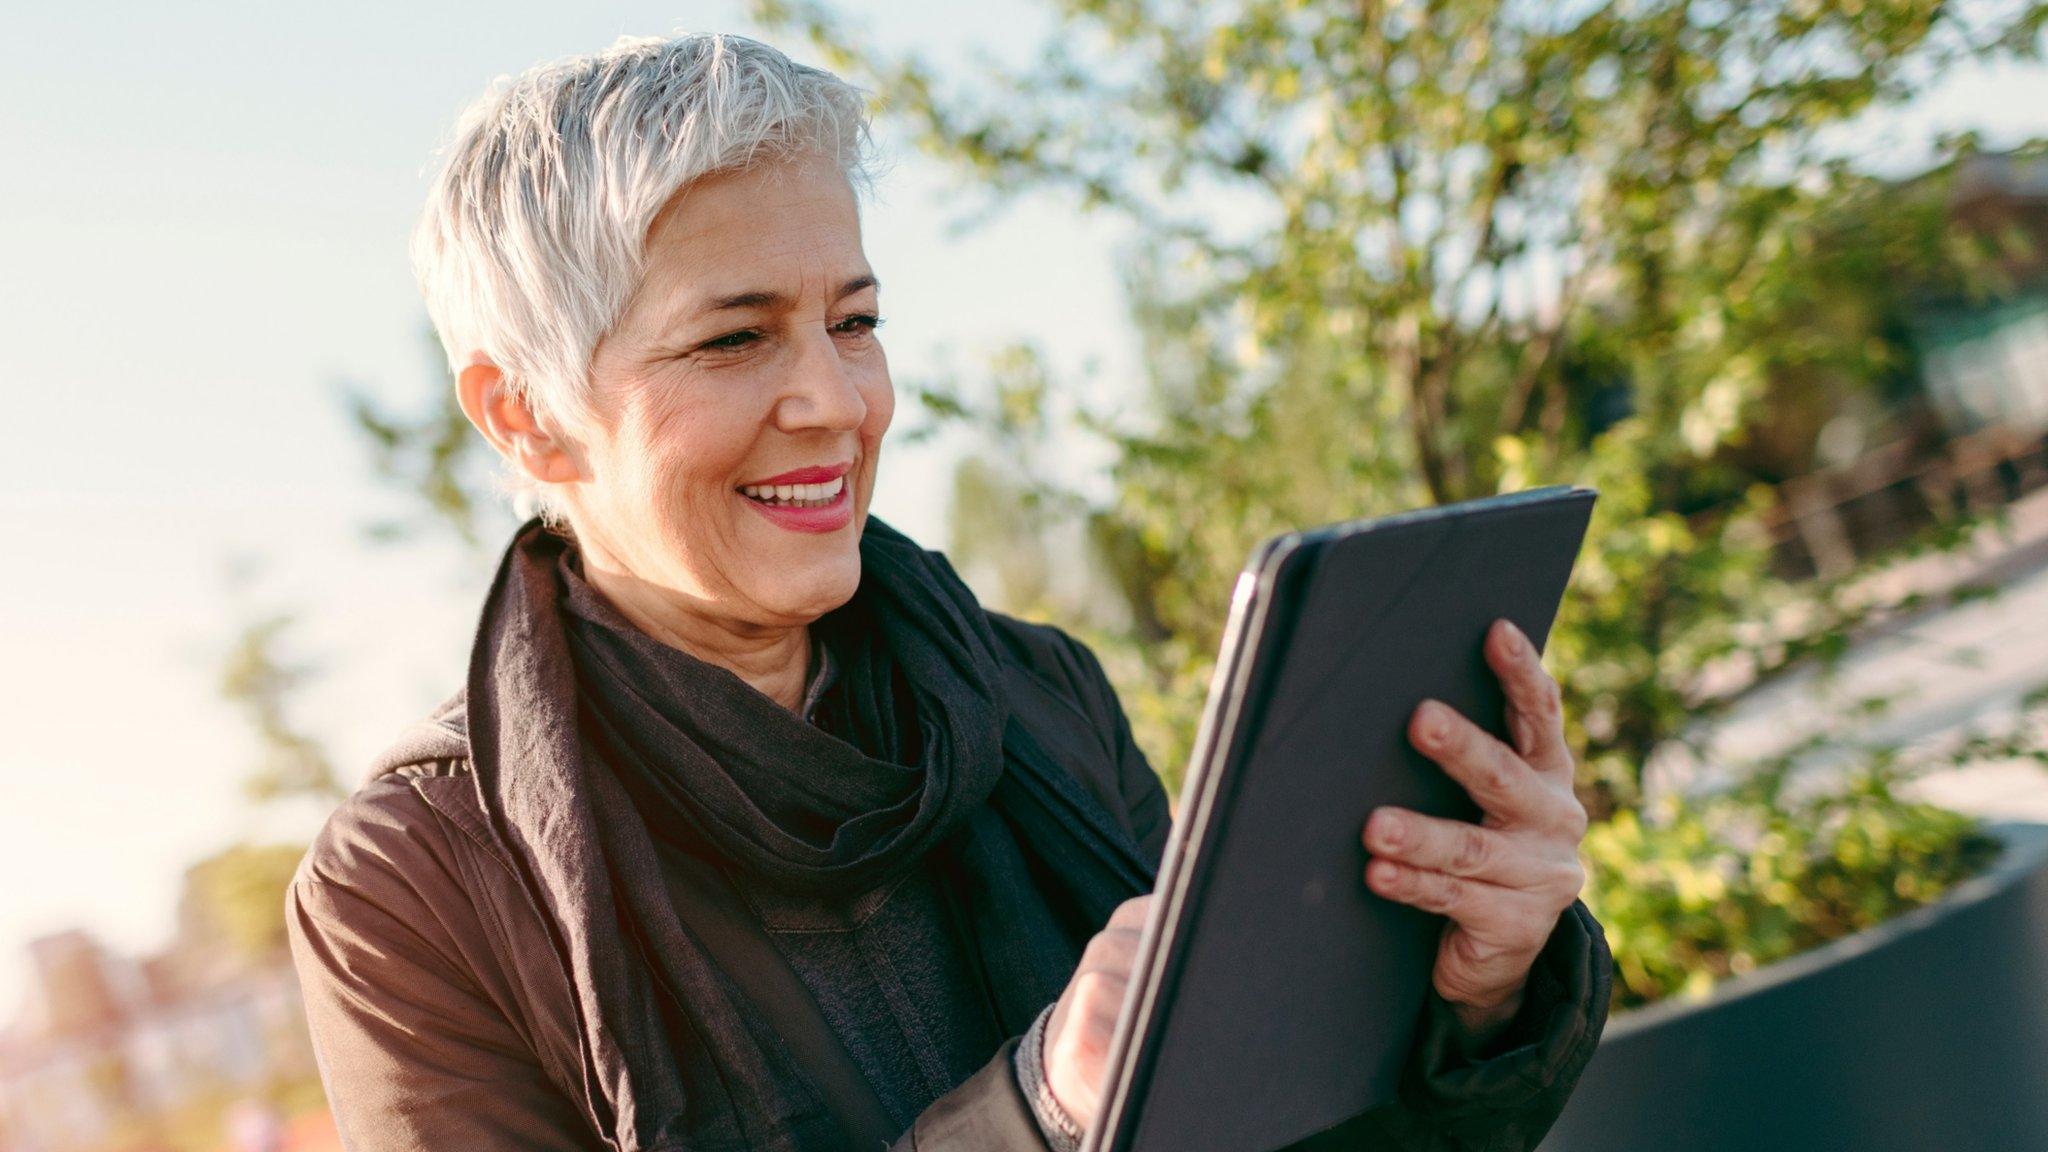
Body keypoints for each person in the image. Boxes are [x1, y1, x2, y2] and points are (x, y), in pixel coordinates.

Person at [285, 32, 1611, 1152]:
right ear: (524, 418)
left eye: (854, 321)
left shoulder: (1037, 694)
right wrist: (1035, 1116)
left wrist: (1475, 994)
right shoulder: (411, 891)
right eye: (735, 337)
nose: (838, 402)